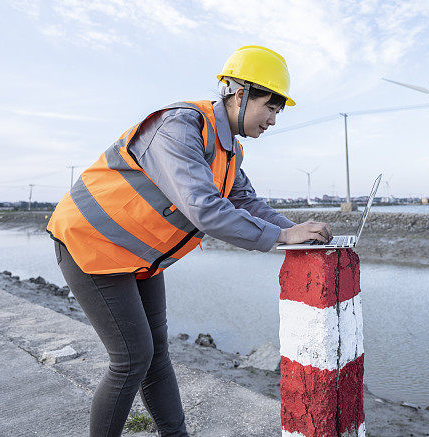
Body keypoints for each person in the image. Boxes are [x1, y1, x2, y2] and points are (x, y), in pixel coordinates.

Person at [47, 45, 332, 437]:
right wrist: (281, 237)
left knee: (157, 355)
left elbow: (245, 201)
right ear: (239, 93)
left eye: (278, 112)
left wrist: (298, 232)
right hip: (90, 244)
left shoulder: (229, 149)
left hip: (137, 256)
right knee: (132, 358)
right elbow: (206, 209)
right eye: (270, 106)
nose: (273, 120)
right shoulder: (181, 127)